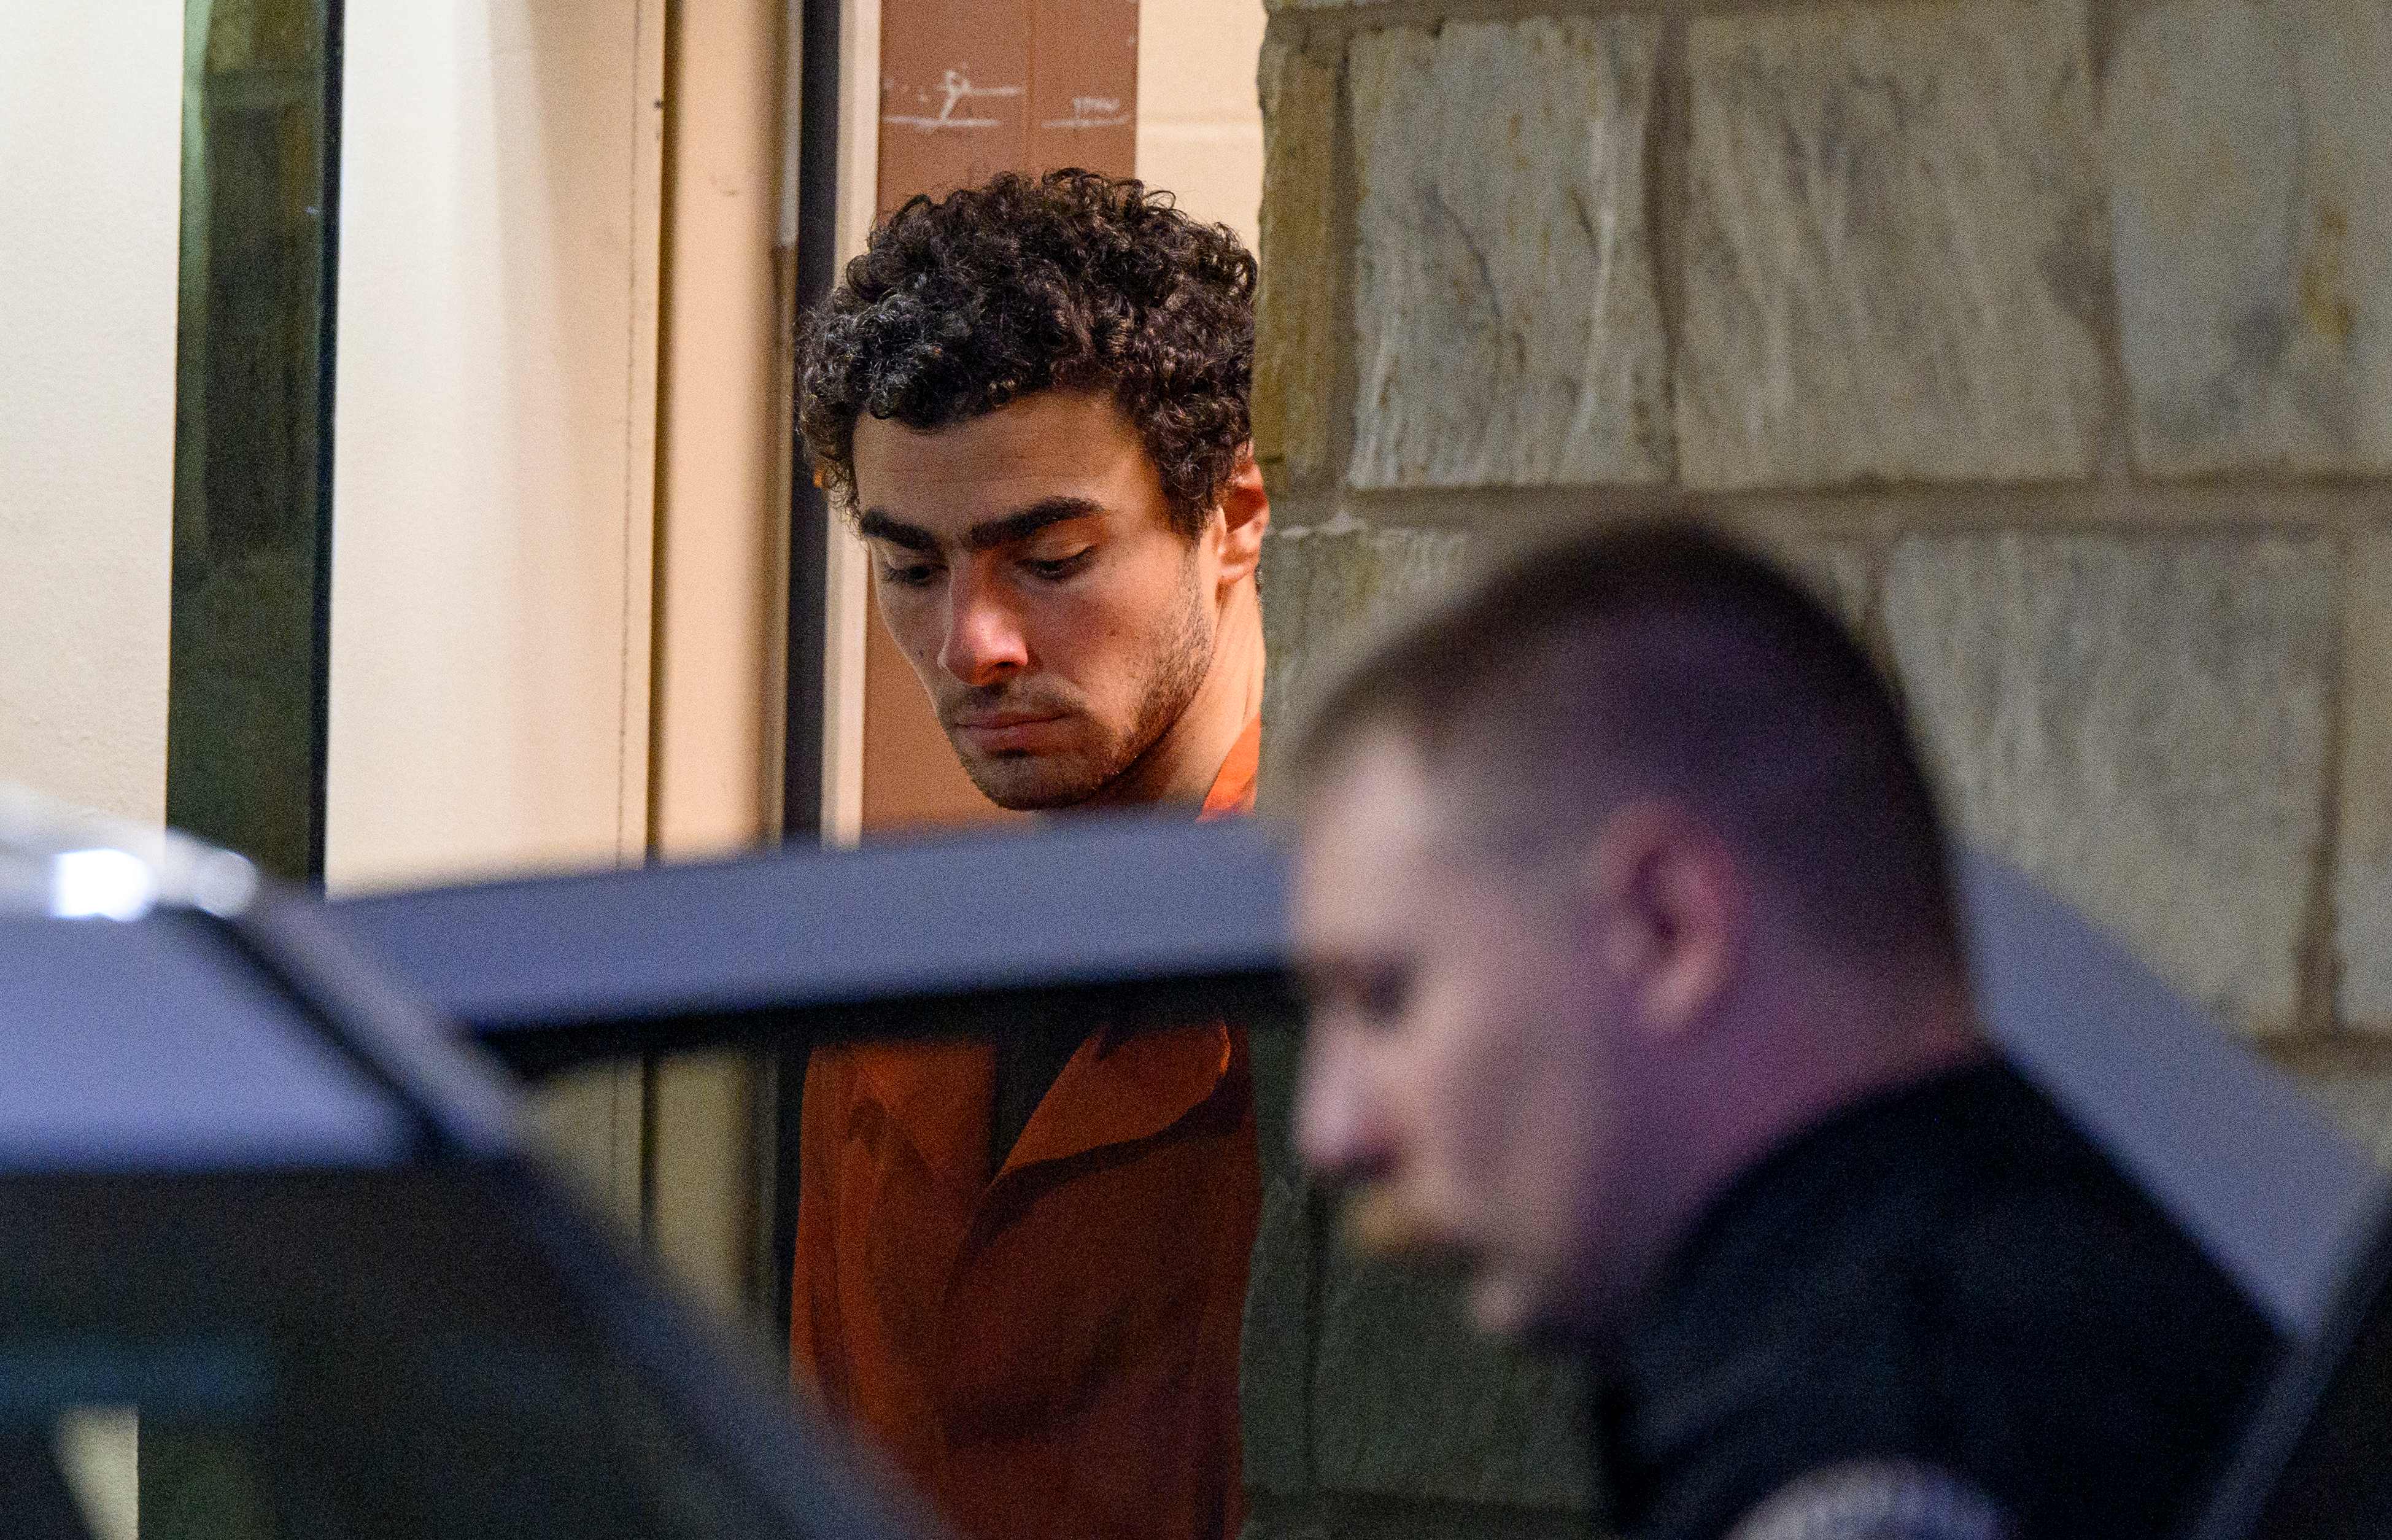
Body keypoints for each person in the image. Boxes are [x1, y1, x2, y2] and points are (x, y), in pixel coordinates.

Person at [1285, 520, 2282, 1540]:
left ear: (1664, 925)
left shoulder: (1878, 1459)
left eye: (1384, 997)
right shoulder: (2074, 1319)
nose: (1333, 1129)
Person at [789, 169, 1268, 1540]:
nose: (970, 647)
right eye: (911, 569)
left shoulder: (1337, 982)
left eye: (1049, 559)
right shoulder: (890, 989)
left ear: (1231, 518)